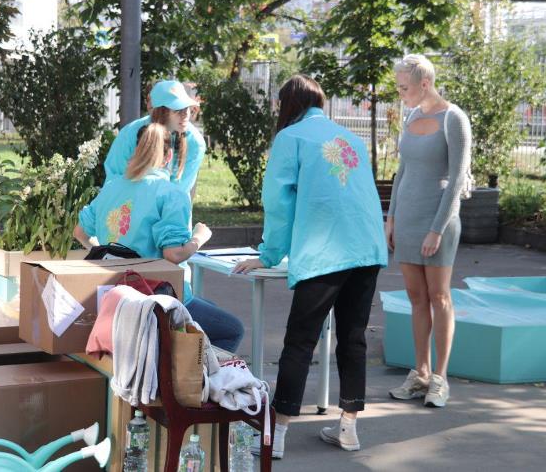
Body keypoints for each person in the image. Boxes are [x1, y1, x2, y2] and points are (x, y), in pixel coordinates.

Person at [233, 75, 387, 457]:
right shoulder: (350, 137)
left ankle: (278, 433)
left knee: (300, 341)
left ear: (288, 104)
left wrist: (269, 254)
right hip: (367, 248)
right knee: (353, 338)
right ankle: (348, 428)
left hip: (325, 251)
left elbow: (278, 203)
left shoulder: (291, 138)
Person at [75, 123, 244, 352]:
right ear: (169, 156)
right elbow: (173, 254)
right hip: (159, 298)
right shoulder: (172, 193)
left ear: (136, 151)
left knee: (209, 309)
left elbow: (80, 232)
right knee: (232, 330)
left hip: (117, 298)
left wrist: (107, 259)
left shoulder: (111, 188)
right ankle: (188, 373)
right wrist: (199, 238)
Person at [386, 54, 472, 408]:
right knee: (415, 297)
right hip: (407, 220)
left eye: (404, 87)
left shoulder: (454, 118)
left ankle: (440, 378)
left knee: (439, 297)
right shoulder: (411, 116)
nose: (400, 93)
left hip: (438, 221)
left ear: (425, 84)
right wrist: (391, 218)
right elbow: (402, 171)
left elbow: (457, 179)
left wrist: (437, 229)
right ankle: (420, 373)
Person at [104, 80, 206, 197]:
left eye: (186, 107)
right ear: (162, 111)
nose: (185, 114)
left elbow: (178, 192)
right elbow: (114, 179)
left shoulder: (195, 143)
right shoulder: (130, 134)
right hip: (127, 203)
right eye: (177, 109)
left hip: (170, 205)